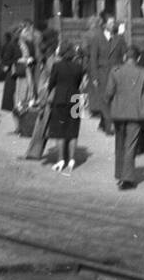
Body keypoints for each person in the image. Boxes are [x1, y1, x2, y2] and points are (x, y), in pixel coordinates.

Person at [103, 45, 144, 190]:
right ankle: (127, 178)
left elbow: (108, 93)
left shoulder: (115, 71)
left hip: (118, 112)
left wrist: (110, 105)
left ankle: (119, 173)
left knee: (119, 142)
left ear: (125, 57)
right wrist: (141, 104)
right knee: (130, 145)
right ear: (137, 58)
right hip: (135, 113)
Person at [46, 42, 87, 172]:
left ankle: (60, 160)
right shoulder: (78, 67)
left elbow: (51, 83)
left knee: (60, 131)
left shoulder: (57, 66)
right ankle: (72, 159)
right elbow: (79, 83)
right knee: (73, 130)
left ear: (61, 53)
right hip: (76, 99)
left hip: (61, 99)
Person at [86, 13, 126, 135]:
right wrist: (94, 76)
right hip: (102, 72)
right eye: (110, 22)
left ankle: (104, 122)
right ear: (104, 25)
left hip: (116, 72)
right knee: (104, 98)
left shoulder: (119, 38)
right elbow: (93, 58)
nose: (113, 24)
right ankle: (109, 126)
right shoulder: (97, 38)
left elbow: (124, 56)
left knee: (113, 98)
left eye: (114, 22)